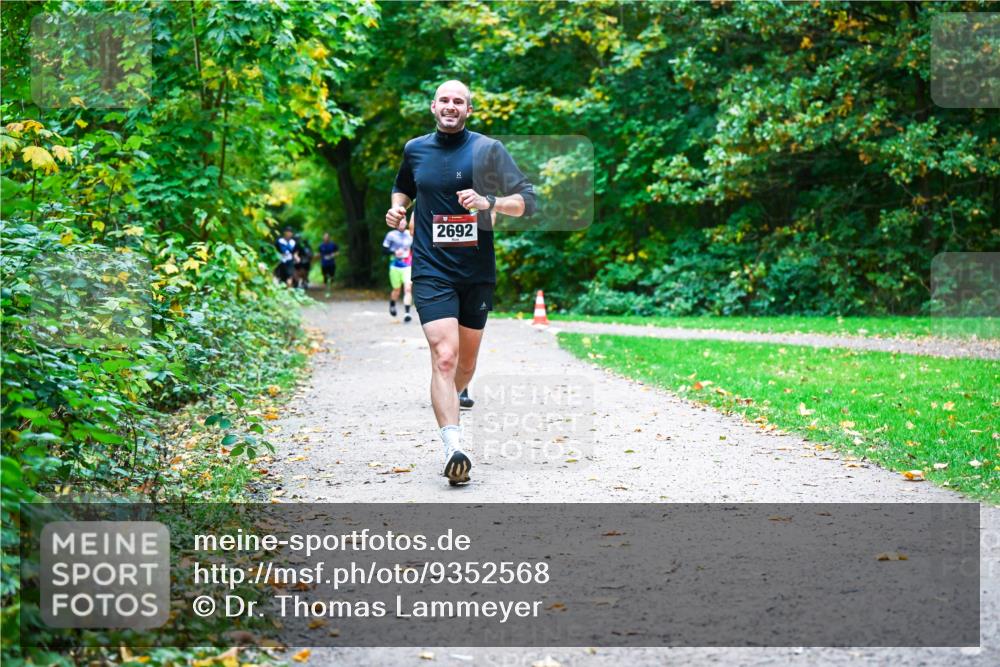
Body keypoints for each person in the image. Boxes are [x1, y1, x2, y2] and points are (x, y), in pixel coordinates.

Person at [386, 80, 536, 486]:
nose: (451, 106)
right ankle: (454, 447)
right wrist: (397, 210)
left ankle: (451, 397)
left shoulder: (488, 150)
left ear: (468, 110)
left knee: (464, 365)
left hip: (476, 271)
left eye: (460, 101)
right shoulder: (415, 149)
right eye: (445, 100)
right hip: (432, 269)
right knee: (445, 357)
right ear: (433, 106)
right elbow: (403, 187)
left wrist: (490, 203)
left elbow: (528, 200)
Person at [382, 218, 414, 323]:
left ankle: (407, 313)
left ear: (406, 223)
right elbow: (384, 250)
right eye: (399, 221)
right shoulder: (391, 235)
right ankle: (392, 304)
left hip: (407, 265)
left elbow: (416, 248)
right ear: (396, 223)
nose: (402, 223)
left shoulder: (410, 234)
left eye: (404, 221)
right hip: (395, 266)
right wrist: (394, 252)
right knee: (396, 290)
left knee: (408, 288)